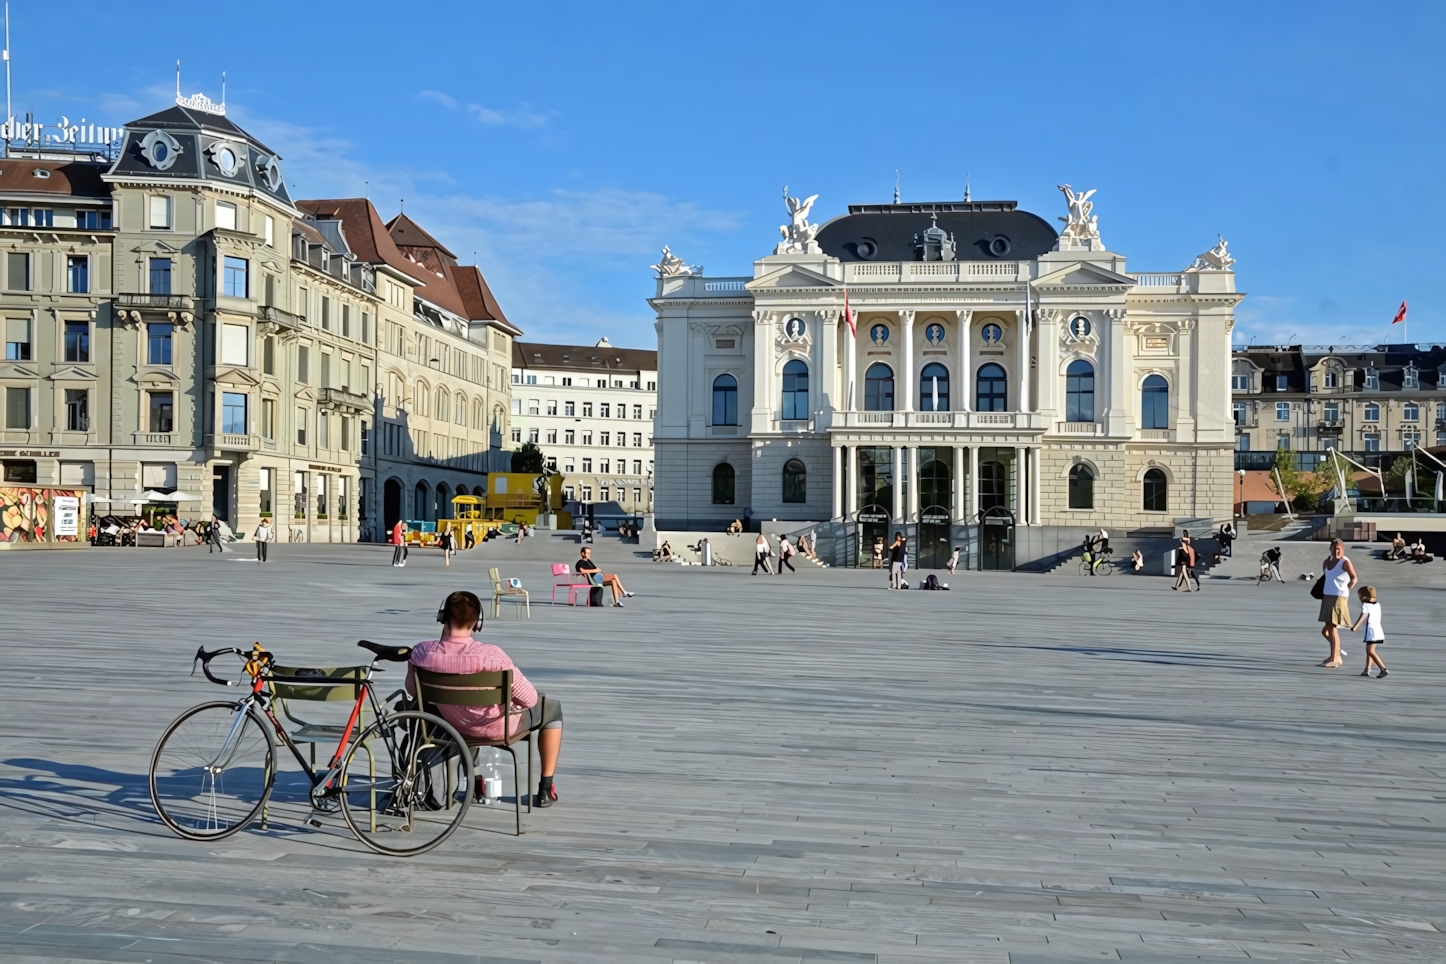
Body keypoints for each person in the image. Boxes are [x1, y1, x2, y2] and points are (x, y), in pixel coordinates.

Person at [407, 591, 564, 807]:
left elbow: (413, 691)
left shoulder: (422, 652)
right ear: (477, 623)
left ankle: (476, 780)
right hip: (499, 727)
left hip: (454, 725)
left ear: (442, 617)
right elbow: (528, 699)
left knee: (462, 709)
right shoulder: (492, 656)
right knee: (552, 708)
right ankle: (546, 789)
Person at [1319, 538, 1358, 668]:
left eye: (1339, 549)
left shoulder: (1345, 562)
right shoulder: (1326, 562)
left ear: (1343, 549)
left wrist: (1347, 589)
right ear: (1330, 549)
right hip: (1327, 597)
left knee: (1333, 627)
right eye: (1335, 548)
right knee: (1326, 630)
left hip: (1339, 597)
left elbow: (1354, 578)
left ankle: (1335, 658)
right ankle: (1336, 654)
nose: (1337, 551)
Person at [1350, 586, 1388, 679]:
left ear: (1363, 597)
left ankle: (1383, 669)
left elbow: (1363, 616)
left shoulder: (1366, 605)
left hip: (1372, 631)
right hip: (1378, 630)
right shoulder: (1377, 604)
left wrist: (1355, 627)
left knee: (1370, 651)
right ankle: (1367, 670)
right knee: (1369, 650)